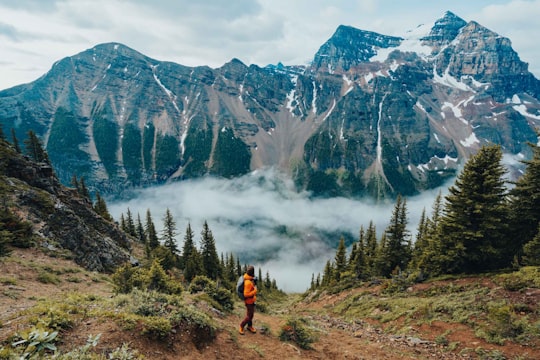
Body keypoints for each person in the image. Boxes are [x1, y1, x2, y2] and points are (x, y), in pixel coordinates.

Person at [239, 265, 257, 335]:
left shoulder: (248, 279)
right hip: (249, 301)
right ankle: (241, 325)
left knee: (249, 314)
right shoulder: (248, 283)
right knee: (250, 316)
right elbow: (246, 294)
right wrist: (255, 291)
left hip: (250, 301)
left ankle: (250, 326)